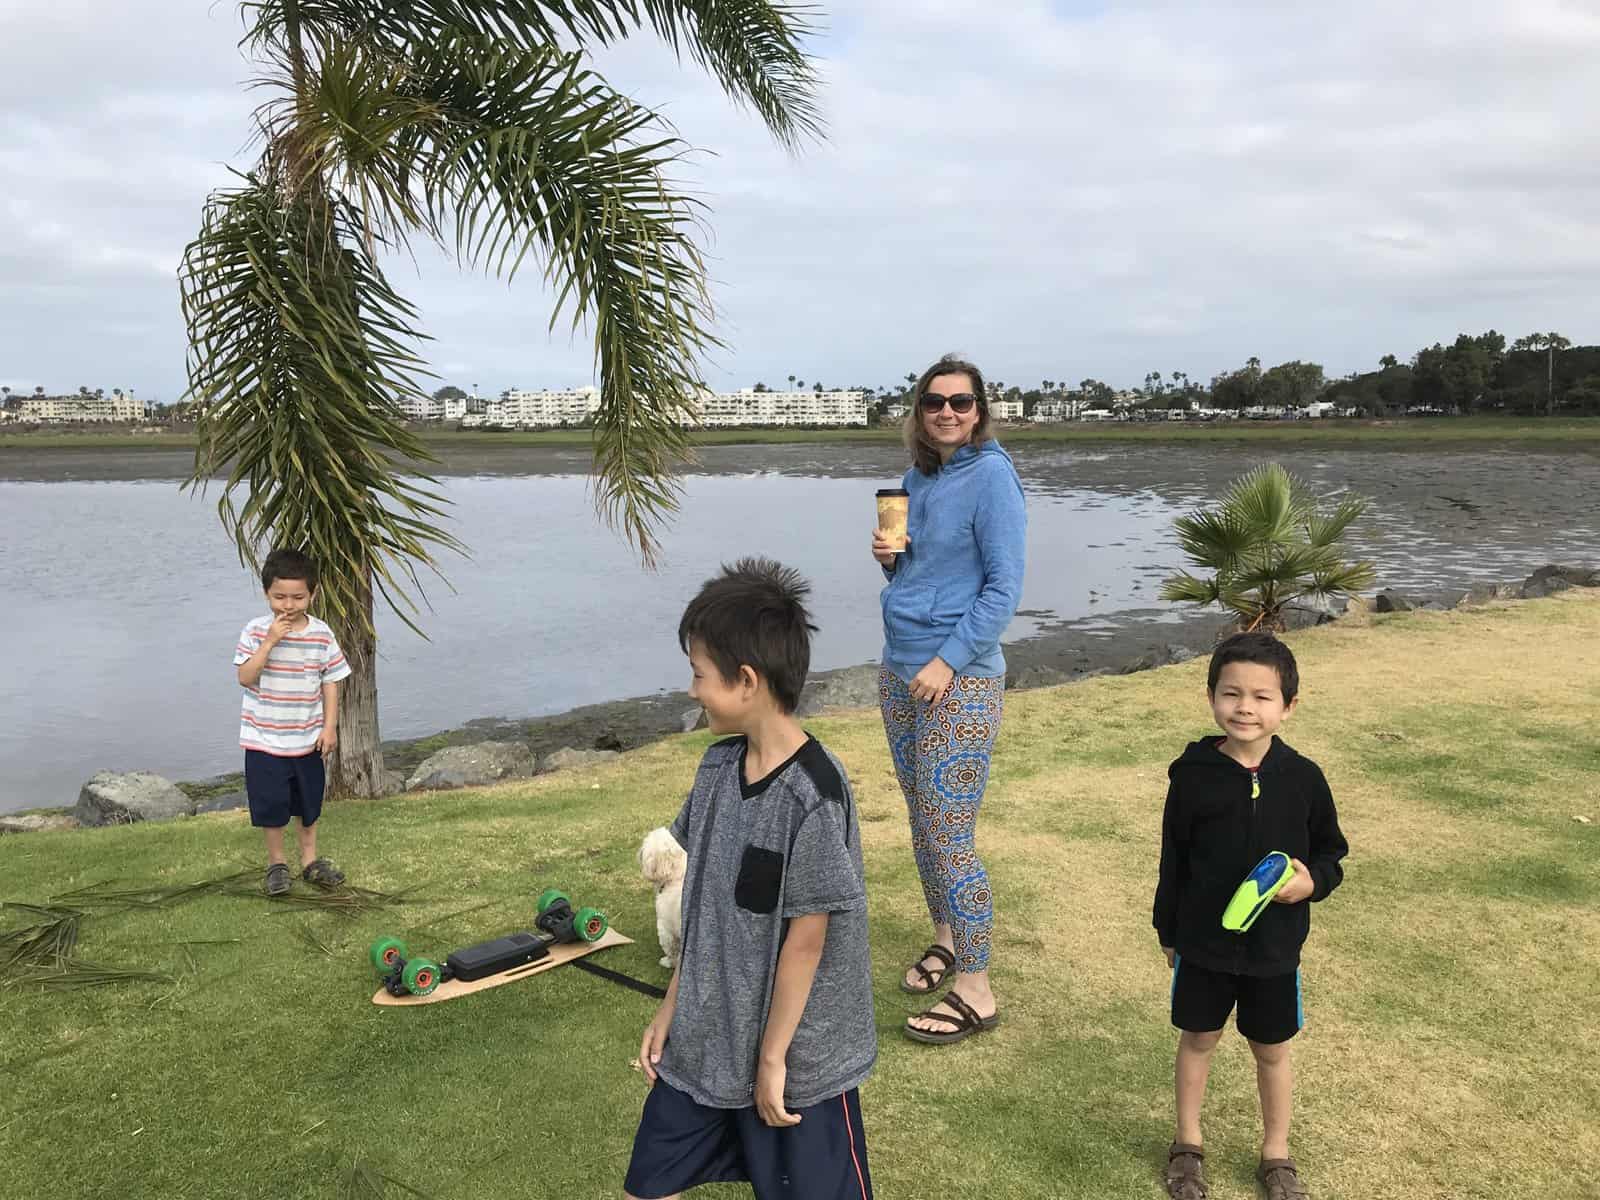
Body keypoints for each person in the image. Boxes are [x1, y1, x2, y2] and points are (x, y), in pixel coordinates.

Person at [624, 558, 876, 1200]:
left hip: (796, 1060)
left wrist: (773, 1061)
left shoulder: (814, 795)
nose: (690, 690)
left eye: (698, 674)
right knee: (649, 1182)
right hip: (708, 1042)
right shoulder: (714, 774)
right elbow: (705, 908)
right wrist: (671, 1008)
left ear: (745, 680)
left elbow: (807, 942)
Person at [1153, 632, 1348, 1200]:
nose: (1245, 707)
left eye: (1263, 697)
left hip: (1274, 950)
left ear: (1289, 706)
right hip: (1204, 946)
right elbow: (1174, 859)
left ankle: (1276, 1154)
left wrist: (1311, 882)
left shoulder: (1304, 777)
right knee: (1198, 1038)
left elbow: (1330, 852)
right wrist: (1168, 930)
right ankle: (1187, 1144)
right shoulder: (1191, 775)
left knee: (1272, 1051)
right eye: (1231, 693)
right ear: (1211, 695)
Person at [871, 353, 1026, 1045]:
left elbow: (1002, 590)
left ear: (979, 410)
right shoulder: (918, 476)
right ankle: (947, 938)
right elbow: (923, 569)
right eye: (935, 402)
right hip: (900, 668)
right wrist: (890, 560)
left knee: (950, 833)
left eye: (961, 403)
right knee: (921, 818)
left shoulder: (993, 477)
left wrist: (947, 662)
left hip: (957, 678)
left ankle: (977, 988)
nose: (947, 413)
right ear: (919, 410)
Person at [232, 548, 351, 896]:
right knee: (271, 806)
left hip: (307, 737)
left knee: (308, 804)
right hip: (263, 739)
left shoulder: (321, 634)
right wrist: (271, 640)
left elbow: (331, 681)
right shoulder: (255, 631)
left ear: (312, 594)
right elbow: (245, 676)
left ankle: (310, 862)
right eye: (279, 596)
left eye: (298, 597)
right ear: (266, 593)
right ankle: (277, 864)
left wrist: (329, 728)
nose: (288, 605)